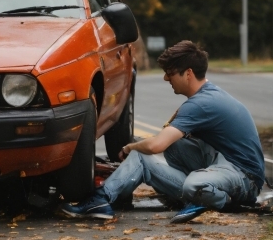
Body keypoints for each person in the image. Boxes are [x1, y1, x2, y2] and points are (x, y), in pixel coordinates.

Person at [60, 40, 265, 223]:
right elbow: (165, 142)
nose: (166, 78)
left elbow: (157, 145)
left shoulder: (201, 104)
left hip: (245, 178)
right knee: (163, 150)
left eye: (170, 73)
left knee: (190, 183)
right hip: (224, 162)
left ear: (188, 74)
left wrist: (130, 146)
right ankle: (101, 199)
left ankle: (223, 201)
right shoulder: (208, 95)